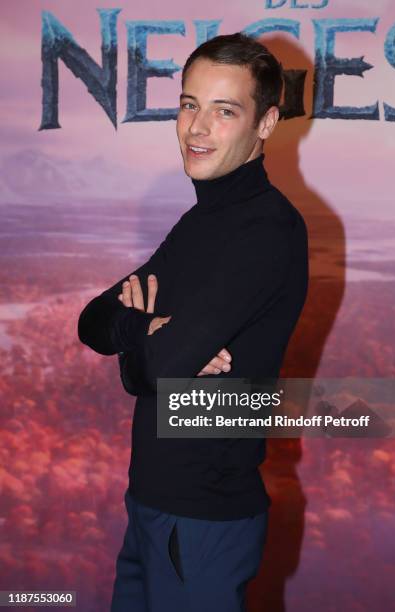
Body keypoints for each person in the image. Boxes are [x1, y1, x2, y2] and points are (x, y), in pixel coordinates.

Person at [77, 32, 308, 612]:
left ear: (266, 123)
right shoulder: (199, 223)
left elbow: (163, 367)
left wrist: (147, 345)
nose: (197, 128)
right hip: (155, 504)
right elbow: (92, 321)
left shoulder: (265, 231)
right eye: (189, 104)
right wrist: (144, 334)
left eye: (224, 111)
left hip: (203, 519)